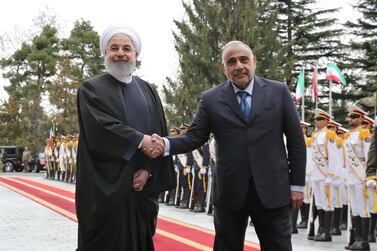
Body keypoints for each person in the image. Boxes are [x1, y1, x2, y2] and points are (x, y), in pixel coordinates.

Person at [147, 40, 306, 251]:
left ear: (253, 62)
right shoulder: (211, 99)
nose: (239, 65)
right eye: (232, 62)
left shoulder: (278, 92)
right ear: (224, 68)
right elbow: (194, 137)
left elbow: (296, 142)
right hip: (230, 193)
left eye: (243, 59)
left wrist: (297, 186)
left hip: (273, 191)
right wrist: (164, 144)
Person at [75, 25, 175, 251]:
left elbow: (160, 131)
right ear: (105, 53)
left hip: (142, 189)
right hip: (106, 186)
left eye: (127, 48)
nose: (120, 53)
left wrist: (148, 170)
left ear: (136, 55)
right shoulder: (91, 89)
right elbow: (102, 129)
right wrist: (141, 140)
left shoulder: (148, 90)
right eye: (114, 48)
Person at [344, 106, 371, 250]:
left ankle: (364, 242)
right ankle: (358, 239)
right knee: (354, 209)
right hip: (351, 177)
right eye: (350, 117)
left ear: (361, 119)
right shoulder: (348, 135)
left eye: (354, 117)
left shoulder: (364, 133)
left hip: (361, 176)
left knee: (363, 208)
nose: (350, 119)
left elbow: (369, 156)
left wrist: (369, 176)